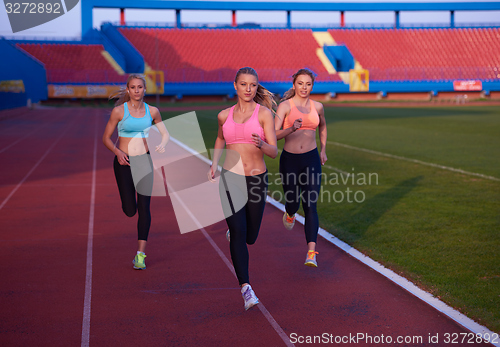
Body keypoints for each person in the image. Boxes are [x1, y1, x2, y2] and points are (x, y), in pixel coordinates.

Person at [208, 67, 277, 310]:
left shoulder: (264, 114)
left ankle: (236, 232)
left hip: (257, 180)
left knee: (250, 236)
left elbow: (274, 151)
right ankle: (246, 288)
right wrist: (214, 164)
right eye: (244, 84)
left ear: (257, 87)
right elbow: (219, 139)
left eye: (253, 85)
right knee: (238, 232)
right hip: (230, 179)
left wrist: (262, 144)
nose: (249, 89)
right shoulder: (223, 116)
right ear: (235, 86)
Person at [103, 74, 169, 270]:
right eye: (133, 87)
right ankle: (129, 209)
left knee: (144, 208)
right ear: (129, 90)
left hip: (144, 162)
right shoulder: (118, 112)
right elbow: (106, 138)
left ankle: (140, 255)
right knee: (130, 210)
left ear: (144, 89)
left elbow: (165, 133)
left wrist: (162, 144)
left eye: (140, 87)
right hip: (123, 163)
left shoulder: (153, 111)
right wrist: (117, 151)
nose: (137, 90)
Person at [274, 68, 327, 267]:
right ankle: (289, 213)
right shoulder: (285, 106)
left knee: (311, 204)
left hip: (311, 159)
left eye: (308, 84)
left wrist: (323, 150)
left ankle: (311, 252)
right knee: (293, 202)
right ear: (294, 84)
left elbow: (322, 126)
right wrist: (291, 128)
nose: (304, 87)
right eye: (300, 83)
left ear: (312, 86)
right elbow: (273, 134)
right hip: (290, 160)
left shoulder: (318, 107)